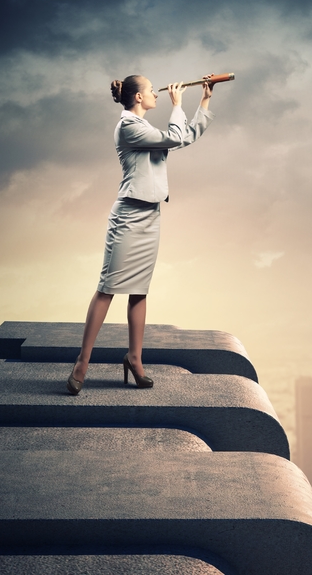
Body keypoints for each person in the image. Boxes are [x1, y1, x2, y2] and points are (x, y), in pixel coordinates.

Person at [66, 74, 215, 395]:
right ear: (137, 97)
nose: (156, 94)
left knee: (140, 290)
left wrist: (204, 100)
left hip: (151, 215)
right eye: (150, 90)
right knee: (107, 289)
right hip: (128, 216)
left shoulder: (146, 128)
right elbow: (174, 137)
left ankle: (135, 359)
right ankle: (82, 362)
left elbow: (185, 136)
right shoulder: (130, 127)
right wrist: (178, 105)